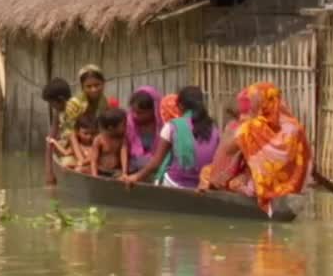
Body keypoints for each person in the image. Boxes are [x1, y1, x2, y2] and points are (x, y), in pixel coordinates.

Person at [235, 82, 312, 216]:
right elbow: (306, 159)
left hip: (262, 188)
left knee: (227, 180)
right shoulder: (295, 126)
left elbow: (236, 150)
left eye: (253, 100)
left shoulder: (251, 128)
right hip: (295, 185)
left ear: (260, 102)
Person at [122, 86, 219, 188]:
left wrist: (136, 177)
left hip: (175, 183)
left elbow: (156, 162)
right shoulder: (214, 127)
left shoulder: (172, 126)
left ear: (180, 106)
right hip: (202, 183)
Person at [199, 86, 258, 195]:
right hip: (231, 178)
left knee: (206, 170)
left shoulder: (231, 126)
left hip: (217, 176)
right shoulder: (251, 127)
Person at [61, 65, 108, 162]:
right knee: (68, 162)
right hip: (74, 144)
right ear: (82, 87)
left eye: (97, 85)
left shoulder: (103, 101)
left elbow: (103, 128)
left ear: (103, 83)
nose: (93, 89)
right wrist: (81, 159)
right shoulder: (74, 104)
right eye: (89, 86)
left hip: (94, 141)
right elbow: (70, 133)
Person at [124, 86, 163, 173]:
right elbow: (123, 148)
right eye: (133, 111)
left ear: (154, 109)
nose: (135, 115)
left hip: (157, 170)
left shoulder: (163, 127)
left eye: (141, 113)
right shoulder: (128, 123)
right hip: (132, 169)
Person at [42, 78, 73, 184]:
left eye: (52, 103)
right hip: (66, 149)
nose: (52, 107)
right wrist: (49, 171)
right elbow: (51, 138)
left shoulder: (75, 111)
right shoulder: (58, 113)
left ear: (61, 99)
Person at [90, 108, 129, 177]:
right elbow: (94, 160)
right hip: (100, 169)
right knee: (81, 170)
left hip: (115, 171)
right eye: (123, 125)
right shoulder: (99, 139)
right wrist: (94, 175)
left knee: (121, 177)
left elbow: (124, 156)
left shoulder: (122, 139)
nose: (126, 127)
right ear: (111, 128)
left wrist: (124, 173)